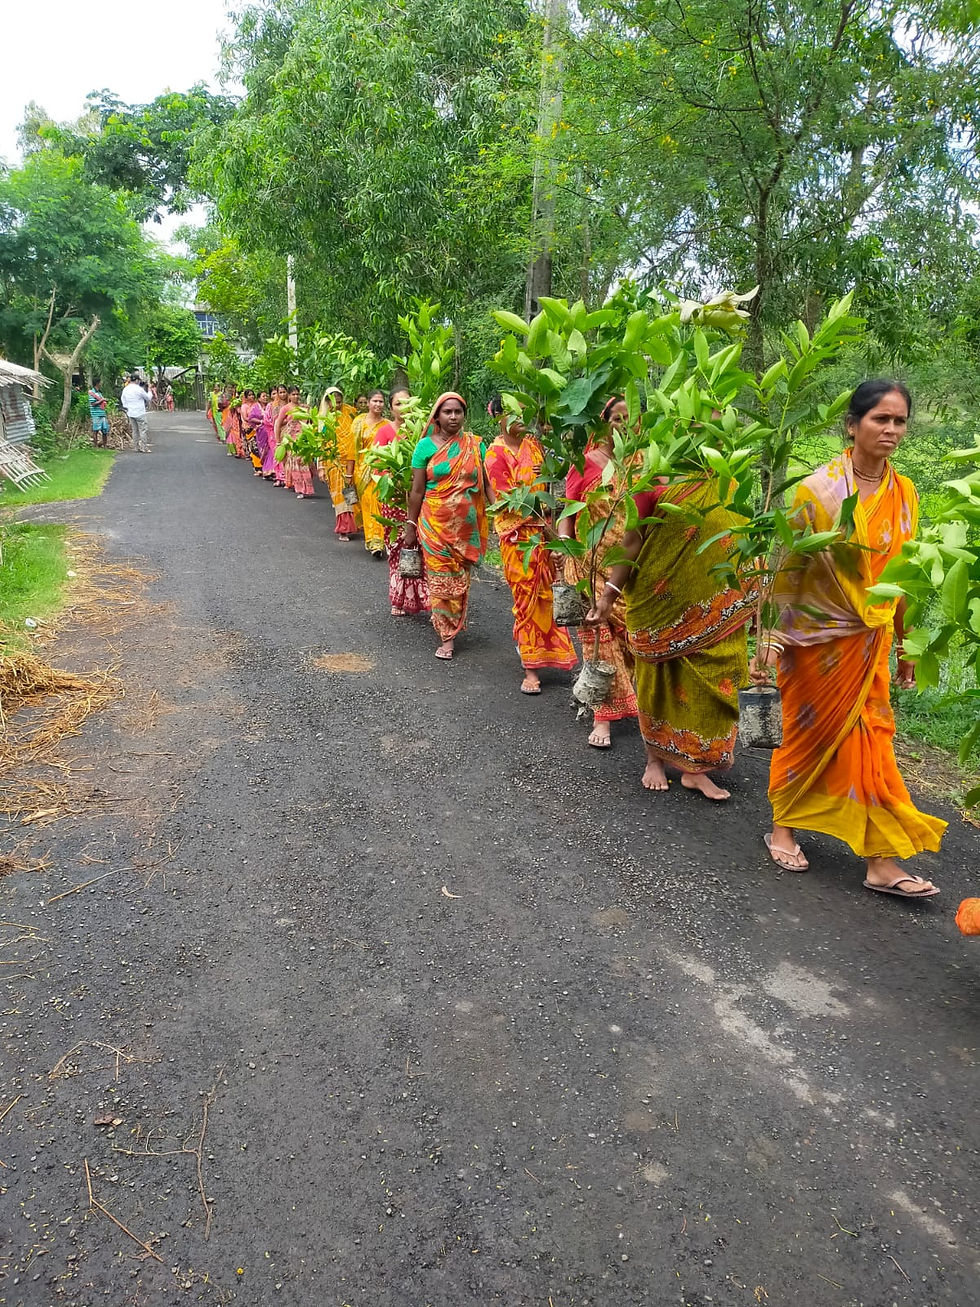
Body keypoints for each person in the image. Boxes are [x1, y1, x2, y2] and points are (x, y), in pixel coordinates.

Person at [760, 379, 946, 894]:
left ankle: (880, 860)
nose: (891, 430)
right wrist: (772, 633)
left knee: (874, 740)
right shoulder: (816, 492)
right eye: (879, 419)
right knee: (805, 734)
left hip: (873, 643)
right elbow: (789, 568)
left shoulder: (904, 492)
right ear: (852, 424)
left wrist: (908, 640)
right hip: (815, 644)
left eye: (899, 421)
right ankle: (783, 828)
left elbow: (904, 573)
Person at [586, 470, 755, 801]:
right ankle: (655, 760)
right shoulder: (650, 476)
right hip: (658, 600)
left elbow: (738, 533)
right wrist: (608, 595)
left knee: (722, 675)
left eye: (721, 414)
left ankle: (696, 770)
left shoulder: (727, 473)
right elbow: (632, 540)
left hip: (719, 603)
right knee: (659, 681)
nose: (715, 420)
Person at [558, 397, 638, 747]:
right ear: (605, 422)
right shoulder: (587, 464)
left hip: (629, 571)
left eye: (630, 419)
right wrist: (566, 551)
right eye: (617, 419)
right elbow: (567, 516)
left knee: (630, 639)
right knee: (598, 641)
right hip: (590, 569)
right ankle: (602, 717)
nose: (624, 425)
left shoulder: (643, 467)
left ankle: (634, 702)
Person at [484, 395, 577, 693]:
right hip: (518, 537)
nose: (520, 419)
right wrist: (540, 498)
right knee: (525, 598)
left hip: (545, 532)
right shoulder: (495, 454)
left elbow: (553, 486)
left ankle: (551, 655)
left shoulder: (535, 446)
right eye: (512, 413)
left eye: (523, 412)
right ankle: (531, 669)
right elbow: (508, 502)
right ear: (497, 417)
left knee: (549, 595)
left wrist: (548, 482)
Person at [403, 392, 491, 659]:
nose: (453, 417)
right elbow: (417, 491)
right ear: (437, 416)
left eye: (458, 412)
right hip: (434, 525)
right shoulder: (425, 447)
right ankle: (447, 635)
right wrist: (410, 525)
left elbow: (486, 484)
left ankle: (453, 623)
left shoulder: (476, 445)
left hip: (466, 529)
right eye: (447, 412)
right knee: (441, 580)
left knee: (460, 581)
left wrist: (499, 512)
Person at [374, 388, 430, 618]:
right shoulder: (385, 432)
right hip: (395, 500)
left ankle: (421, 598)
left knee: (420, 547)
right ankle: (399, 597)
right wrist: (397, 481)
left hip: (419, 499)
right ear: (391, 407)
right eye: (399, 404)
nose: (404, 409)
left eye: (408, 404)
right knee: (399, 547)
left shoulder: (421, 433)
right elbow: (378, 466)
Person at [353, 389, 388, 557]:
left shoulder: (388, 425)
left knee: (380, 504)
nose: (378, 404)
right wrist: (348, 472)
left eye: (381, 401)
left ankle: (379, 541)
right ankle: (372, 539)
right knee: (367, 504)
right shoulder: (359, 422)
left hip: (381, 471)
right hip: (362, 471)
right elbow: (351, 449)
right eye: (375, 401)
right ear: (368, 403)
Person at [322, 388, 360, 537]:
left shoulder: (351, 411)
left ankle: (355, 523)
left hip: (351, 458)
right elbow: (321, 443)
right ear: (327, 401)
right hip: (333, 461)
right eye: (333, 399)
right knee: (339, 494)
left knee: (351, 491)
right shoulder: (325, 417)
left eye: (339, 399)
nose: (337, 402)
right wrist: (321, 466)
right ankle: (344, 528)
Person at [275, 386, 314, 499]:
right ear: (289, 396)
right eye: (293, 394)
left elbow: (311, 422)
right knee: (296, 463)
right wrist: (278, 441)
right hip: (291, 440)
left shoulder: (304, 408)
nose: (295, 396)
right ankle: (301, 489)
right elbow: (278, 424)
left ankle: (307, 488)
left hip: (304, 438)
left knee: (305, 462)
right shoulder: (286, 408)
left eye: (297, 394)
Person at [121, 374, 152, 453]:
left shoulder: (126, 389)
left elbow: (123, 399)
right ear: (137, 380)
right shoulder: (139, 389)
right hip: (140, 412)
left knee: (135, 430)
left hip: (131, 412)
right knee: (143, 430)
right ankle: (144, 447)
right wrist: (150, 390)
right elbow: (148, 398)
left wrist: (127, 407)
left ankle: (136, 447)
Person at [241, 389, 266, 475]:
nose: (251, 397)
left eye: (252, 395)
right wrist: (255, 421)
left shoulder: (257, 405)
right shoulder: (244, 406)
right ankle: (257, 467)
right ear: (246, 397)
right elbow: (245, 418)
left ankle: (263, 467)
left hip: (260, 429)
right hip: (249, 429)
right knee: (253, 448)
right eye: (249, 395)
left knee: (260, 448)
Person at [88, 381, 109, 448]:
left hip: (102, 413)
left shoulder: (99, 393)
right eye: (100, 383)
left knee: (105, 430)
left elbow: (101, 401)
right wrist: (102, 400)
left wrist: (104, 400)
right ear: (97, 384)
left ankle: (105, 446)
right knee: (96, 430)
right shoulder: (92, 393)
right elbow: (93, 404)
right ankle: (95, 446)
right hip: (96, 414)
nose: (101, 384)